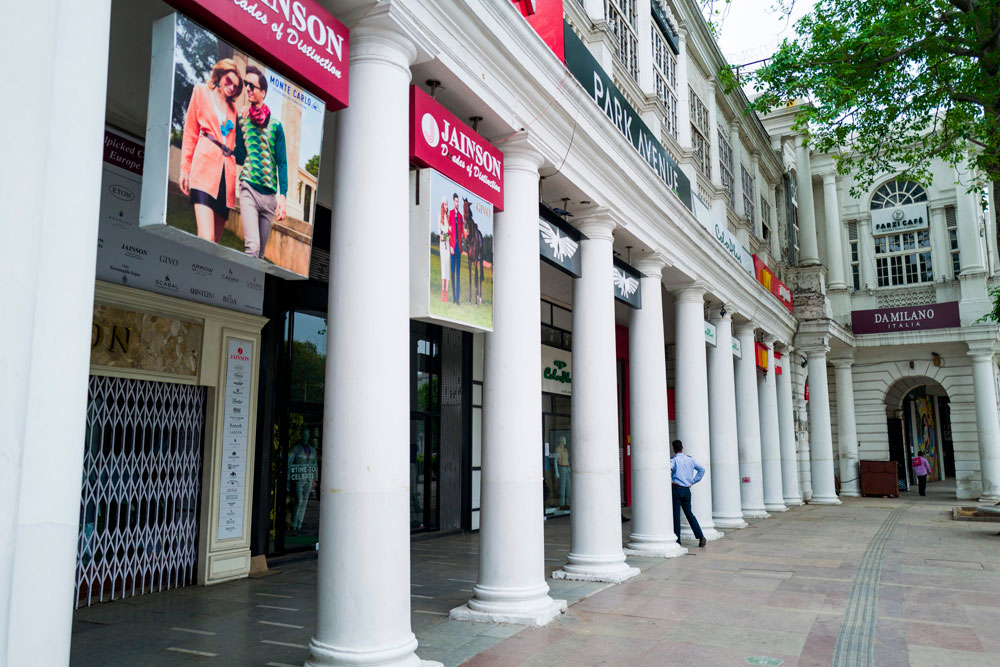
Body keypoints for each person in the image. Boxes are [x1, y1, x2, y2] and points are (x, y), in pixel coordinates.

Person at [179, 59, 243, 243]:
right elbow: (190, 131)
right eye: (228, 81)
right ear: (221, 75)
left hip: (226, 177)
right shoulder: (201, 91)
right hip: (204, 169)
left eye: (235, 86)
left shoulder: (234, 110)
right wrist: (185, 168)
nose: (231, 87)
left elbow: (239, 147)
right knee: (205, 238)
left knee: (214, 244)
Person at [235, 64, 288, 259]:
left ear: (263, 92)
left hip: (269, 199)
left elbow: (282, 163)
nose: (247, 88)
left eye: (252, 85)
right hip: (248, 188)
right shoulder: (242, 119)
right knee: (252, 247)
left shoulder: (276, 126)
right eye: (246, 84)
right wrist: (235, 129)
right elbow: (240, 156)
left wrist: (283, 197)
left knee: (261, 254)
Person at [671, 440, 707, 547]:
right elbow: (702, 470)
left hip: (676, 488)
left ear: (674, 449)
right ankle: (700, 536)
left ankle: (678, 541)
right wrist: (693, 481)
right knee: (689, 514)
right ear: (682, 447)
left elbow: (665, 470)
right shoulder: (690, 459)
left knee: (676, 515)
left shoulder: (673, 460)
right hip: (687, 489)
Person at [448, 194, 464, 303]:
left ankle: (457, 299)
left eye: (458, 202)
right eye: (456, 201)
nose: (457, 203)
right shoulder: (450, 214)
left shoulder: (461, 217)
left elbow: (462, 232)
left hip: (459, 248)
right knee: (452, 273)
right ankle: (453, 297)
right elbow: (449, 231)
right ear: (453, 202)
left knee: (458, 273)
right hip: (452, 248)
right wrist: (450, 246)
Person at [438, 197, 450, 302]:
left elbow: (450, 233)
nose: (446, 206)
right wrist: (444, 236)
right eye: (445, 204)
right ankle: (442, 294)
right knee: (443, 268)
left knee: (448, 269)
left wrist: (446, 236)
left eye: (447, 204)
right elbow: (440, 233)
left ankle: (446, 293)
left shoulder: (449, 217)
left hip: (448, 244)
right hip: (442, 245)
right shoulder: (440, 217)